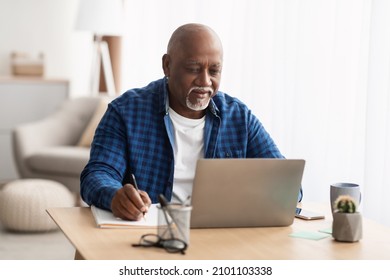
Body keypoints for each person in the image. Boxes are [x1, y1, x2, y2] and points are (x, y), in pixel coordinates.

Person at [80, 23, 301, 221]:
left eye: (214, 70)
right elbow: (97, 174)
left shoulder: (239, 118)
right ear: (167, 65)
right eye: (193, 69)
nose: (205, 81)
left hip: (220, 235)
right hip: (151, 233)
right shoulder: (126, 111)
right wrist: (114, 196)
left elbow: (288, 184)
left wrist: (267, 195)